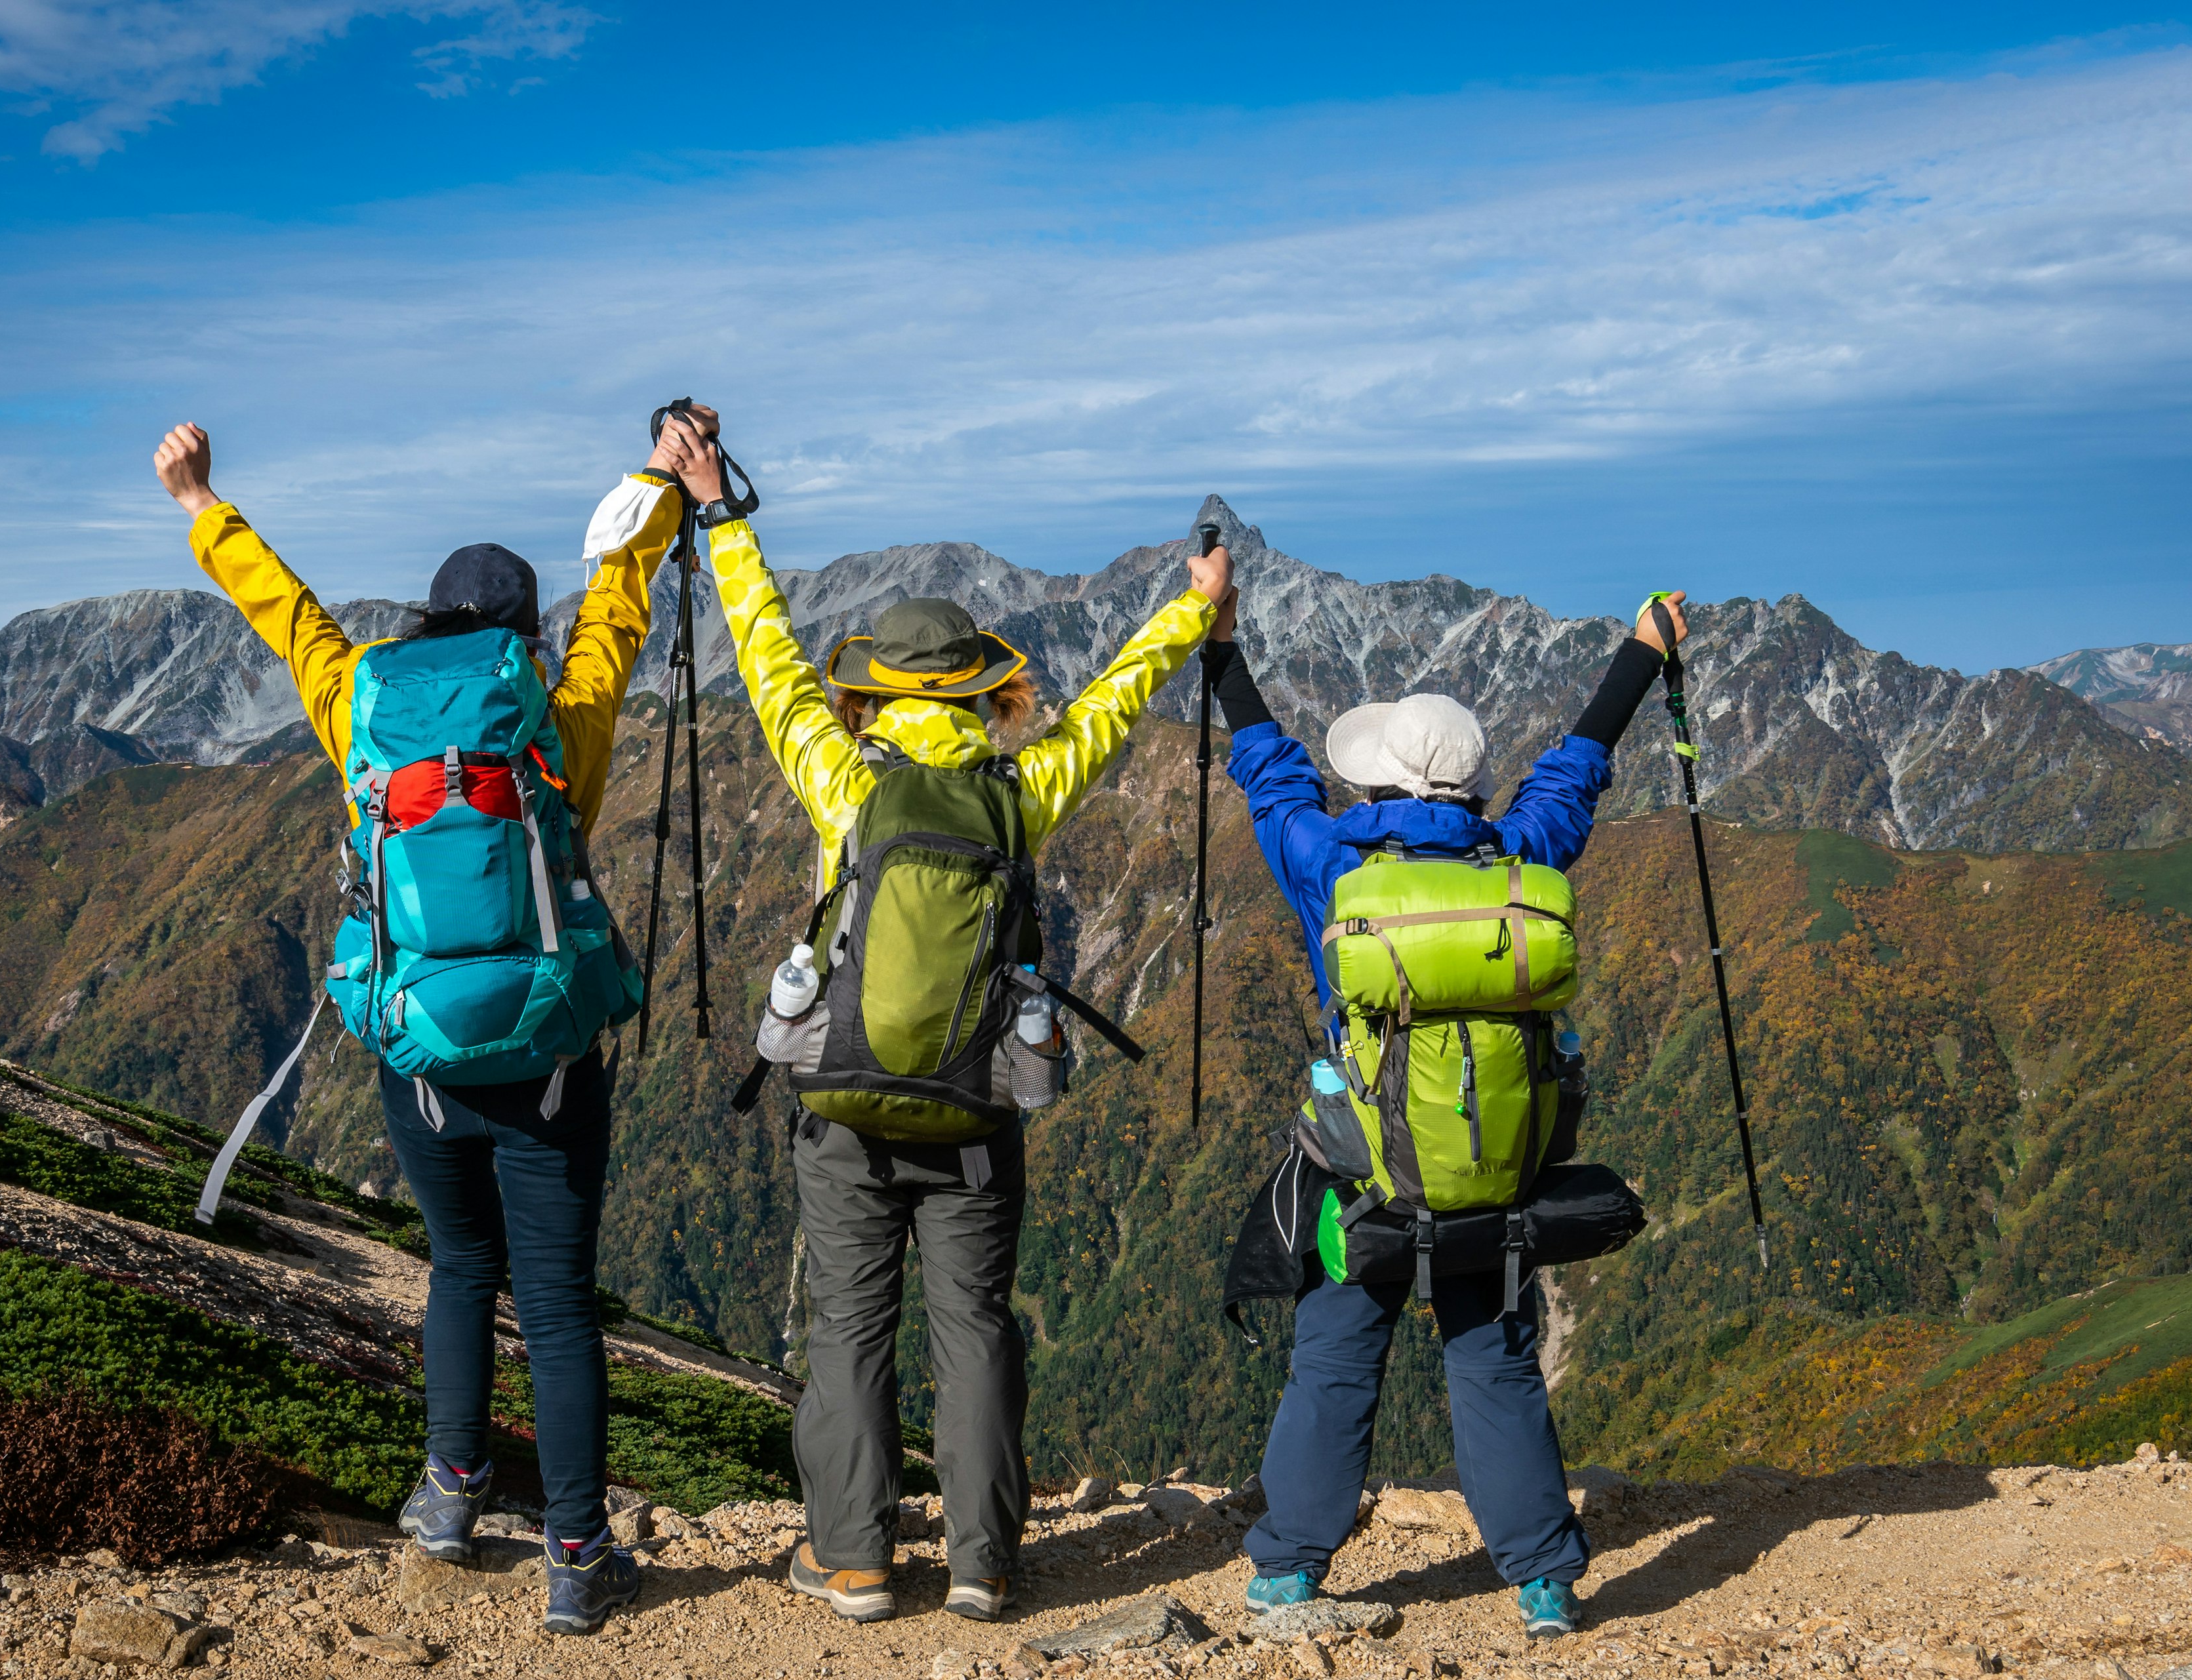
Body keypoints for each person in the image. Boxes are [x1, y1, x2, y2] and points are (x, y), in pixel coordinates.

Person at [650, 412, 1232, 1624]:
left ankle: (854, 1558)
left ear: (869, 692)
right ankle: (981, 1559)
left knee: (850, 1328)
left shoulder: (845, 779)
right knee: (972, 1329)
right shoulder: (1020, 791)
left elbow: (761, 652)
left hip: (845, 1110)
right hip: (974, 1111)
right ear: (980, 689)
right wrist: (1194, 609)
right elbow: (1119, 702)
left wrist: (720, 514)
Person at [152, 419, 695, 1637]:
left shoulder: (361, 705)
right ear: (525, 633)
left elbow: (284, 614)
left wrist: (200, 500)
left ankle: (450, 1496)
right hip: (549, 1056)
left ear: (431, 625)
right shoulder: (557, 714)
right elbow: (622, 603)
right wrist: (659, 485)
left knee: (460, 1270)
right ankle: (574, 1555)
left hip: (418, 1059)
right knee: (556, 1309)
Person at [1204, 583, 1688, 1640]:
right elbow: (1577, 769)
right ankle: (1545, 1583)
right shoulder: (1521, 860)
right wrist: (1642, 652)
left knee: (1335, 1355)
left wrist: (1223, 649)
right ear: (1469, 789)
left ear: (1374, 781)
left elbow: (1270, 773)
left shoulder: (1335, 868)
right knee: (1496, 1360)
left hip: (1367, 1180)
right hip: (1497, 1180)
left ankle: (1290, 1567)